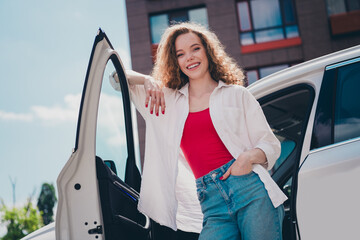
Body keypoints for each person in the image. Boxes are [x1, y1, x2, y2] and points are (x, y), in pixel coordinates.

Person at [123, 22, 287, 240]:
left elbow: (270, 144)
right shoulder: (168, 102)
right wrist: (148, 80)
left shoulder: (237, 95)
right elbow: (117, 77)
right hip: (210, 204)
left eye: (195, 48)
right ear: (175, 61)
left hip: (250, 191)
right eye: (180, 54)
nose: (189, 57)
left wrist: (247, 158)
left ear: (208, 51)